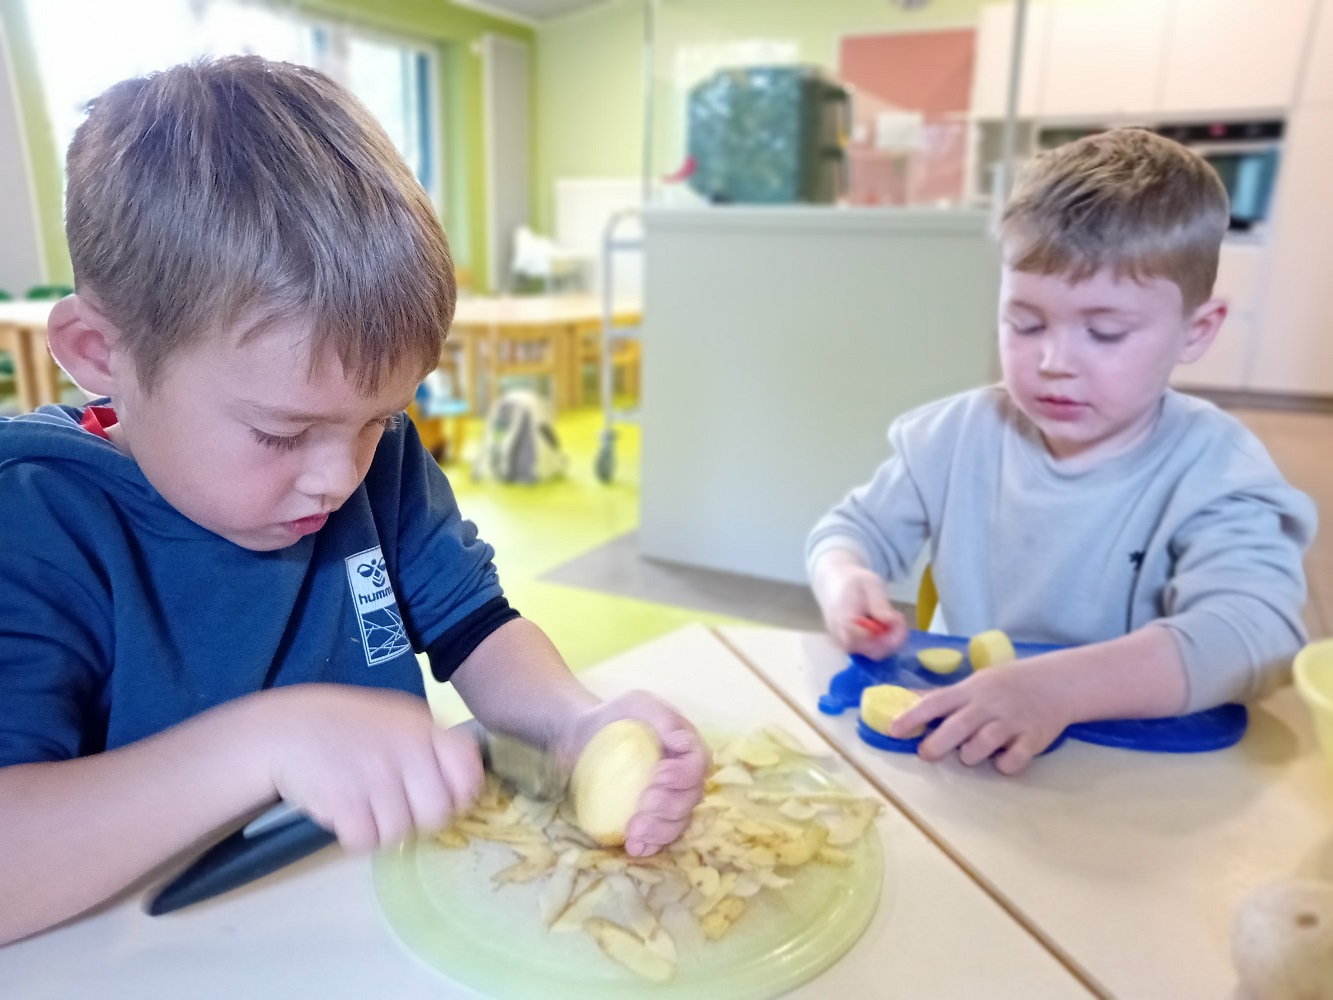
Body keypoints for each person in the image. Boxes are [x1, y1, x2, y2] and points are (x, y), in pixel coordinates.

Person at [0, 57, 707, 945]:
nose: (339, 477)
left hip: (381, 918)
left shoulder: (375, 460)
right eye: (280, 433)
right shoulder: (35, 520)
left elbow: (474, 624)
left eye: (381, 417)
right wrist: (265, 741)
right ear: (99, 351)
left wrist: (573, 720)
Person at [808, 128, 1317, 776]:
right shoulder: (953, 437)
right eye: (1024, 323)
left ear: (1197, 330)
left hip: (1135, 788)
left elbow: (1257, 637)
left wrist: (1058, 689)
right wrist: (844, 578)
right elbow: (849, 530)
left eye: (1104, 332)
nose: (1053, 363)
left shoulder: (1215, 471)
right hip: (977, 767)